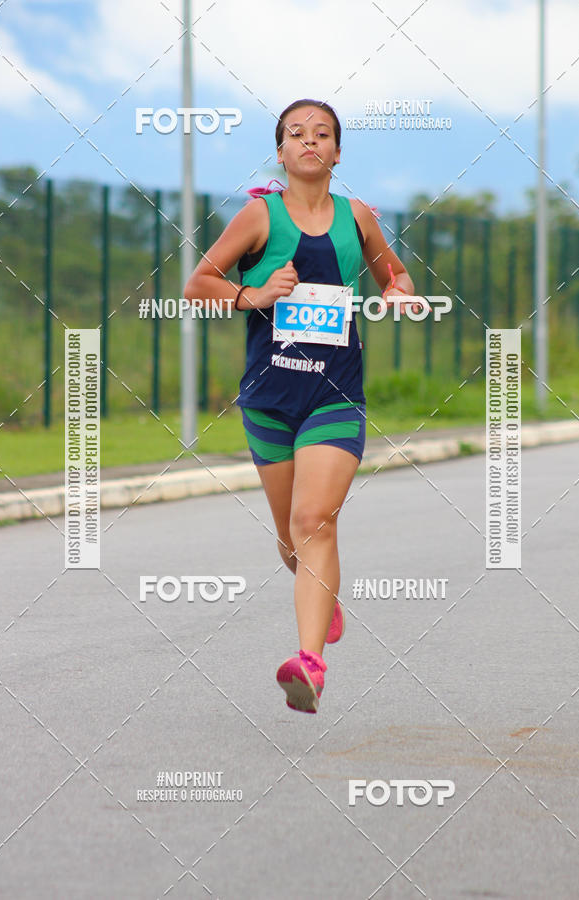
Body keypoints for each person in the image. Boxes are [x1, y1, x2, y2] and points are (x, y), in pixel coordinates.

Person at [184, 98, 416, 713]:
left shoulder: (358, 216)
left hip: (334, 395)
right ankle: (325, 596)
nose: (309, 142)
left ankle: (309, 663)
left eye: (322, 135)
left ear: (337, 153)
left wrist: (398, 291)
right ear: (281, 152)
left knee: (315, 520)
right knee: (292, 539)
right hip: (268, 399)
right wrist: (254, 293)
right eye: (296, 134)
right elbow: (199, 283)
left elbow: (397, 275)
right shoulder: (259, 217)